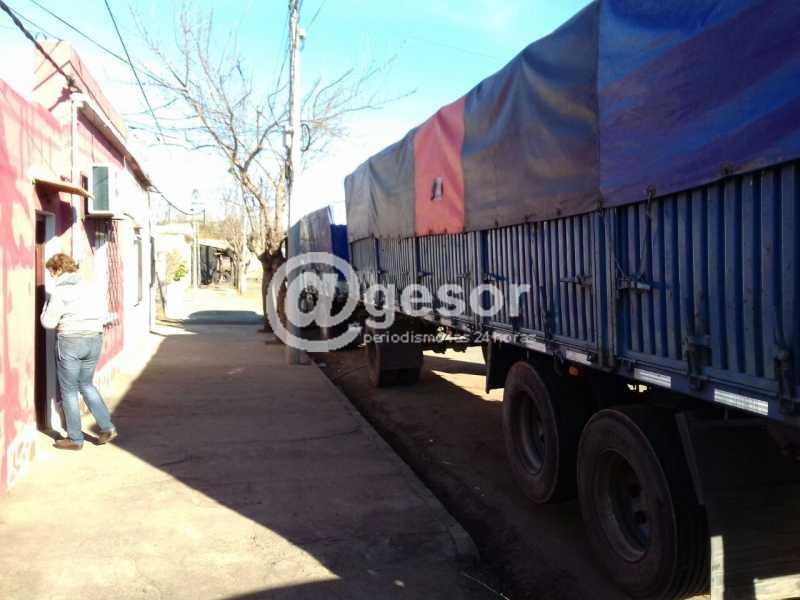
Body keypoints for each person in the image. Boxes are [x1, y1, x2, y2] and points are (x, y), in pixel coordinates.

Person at [40, 253, 117, 450]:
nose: (51, 276)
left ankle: (75, 438)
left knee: (69, 390)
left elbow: (48, 322)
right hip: (94, 338)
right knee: (87, 384)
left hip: (71, 340)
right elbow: (103, 313)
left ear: (58, 269)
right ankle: (107, 427)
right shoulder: (89, 286)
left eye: (51, 272)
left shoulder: (60, 291)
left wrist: (45, 305)